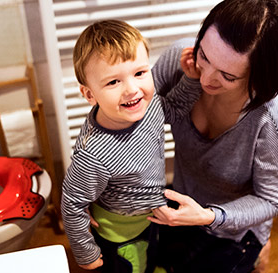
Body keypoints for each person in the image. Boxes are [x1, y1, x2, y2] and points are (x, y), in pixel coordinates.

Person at [147, 0, 278, 272]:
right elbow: (132, 118)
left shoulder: (272, 119)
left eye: (227, 76)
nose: (206, 79)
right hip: (183, 202)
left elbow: (270, 200)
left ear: (258, 79)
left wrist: (207, 217)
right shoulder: (181, 58)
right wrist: (89, 189)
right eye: (204, 56)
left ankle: (259, 251)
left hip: (234, 234)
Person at [61, 20, 201, 272]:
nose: (132, 90)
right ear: (89, 94)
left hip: (149, 214)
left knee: (150, 252)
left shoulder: (149, 106)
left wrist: (190, 80)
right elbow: (72, 204)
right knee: (130, 264)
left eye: (139, 73)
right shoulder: (93, 154)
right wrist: (86, 253)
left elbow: (177, 109)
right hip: (119, 233)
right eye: (113, 82)